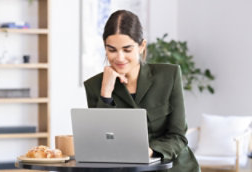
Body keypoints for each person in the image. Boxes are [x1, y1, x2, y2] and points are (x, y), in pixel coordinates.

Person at [83, 10, 200, 172]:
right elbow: (101, 142)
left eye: (127, 49)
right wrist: (106, 93)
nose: (120, 57)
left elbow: (178, 136)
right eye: (112, 50)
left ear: (141, 46)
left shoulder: (169, 75)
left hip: (173, 167)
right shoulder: (95, 85)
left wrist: (151, 151)